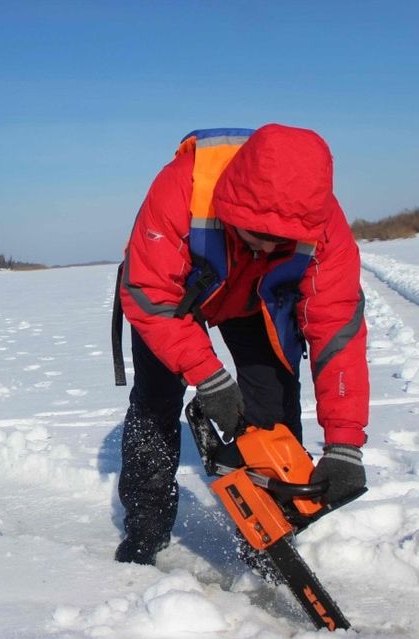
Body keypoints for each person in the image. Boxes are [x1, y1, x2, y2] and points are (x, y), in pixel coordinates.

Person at [114, 124, 369, 565]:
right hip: (174, 299)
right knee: (156, 403)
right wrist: (208, 377)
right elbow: (149, 291)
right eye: (258, 232)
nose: (269, 243)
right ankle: (146, 527)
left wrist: (345, 443)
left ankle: (270, 534)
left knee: (272, 412)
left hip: (255, 302)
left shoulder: (322, 221)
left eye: (281, 239)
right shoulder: (183, 185)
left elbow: (337, 329)